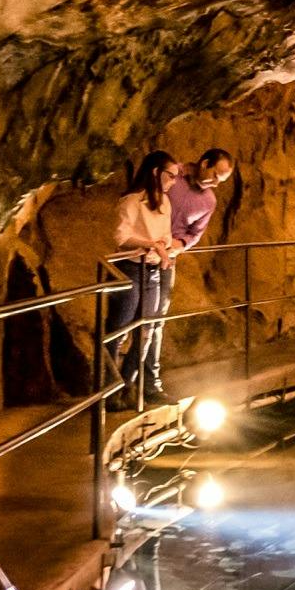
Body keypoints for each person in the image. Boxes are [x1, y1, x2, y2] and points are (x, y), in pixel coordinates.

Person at [110, 150, 180, 402]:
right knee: (120, 329)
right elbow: (121, 237)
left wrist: (163, 245)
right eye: (171, 175)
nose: (174, 182)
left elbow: (166, 235)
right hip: (130, 268)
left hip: (151, 271)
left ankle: (125, 385)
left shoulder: (164, 202)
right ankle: (109, 389)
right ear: (156, 172)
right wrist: (151, 244)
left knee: (147, 330)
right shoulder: (131, 201)